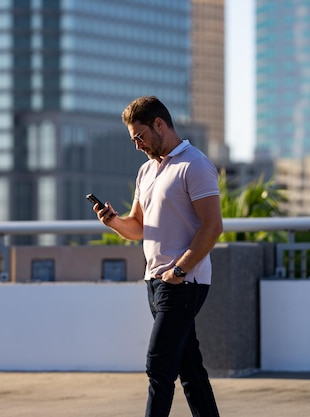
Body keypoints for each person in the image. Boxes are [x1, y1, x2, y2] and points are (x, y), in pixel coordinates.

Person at [92, 96, 223, 417]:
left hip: (183, 281)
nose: (137, 145)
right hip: (157, 282)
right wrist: (113, 222)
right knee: (189, 369)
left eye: (139, 136)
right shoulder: (146, 171)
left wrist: (179, 271)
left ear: (159, 124)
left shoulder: (194, 164)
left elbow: (213, 226)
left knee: (158, 367)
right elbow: (138, 227)